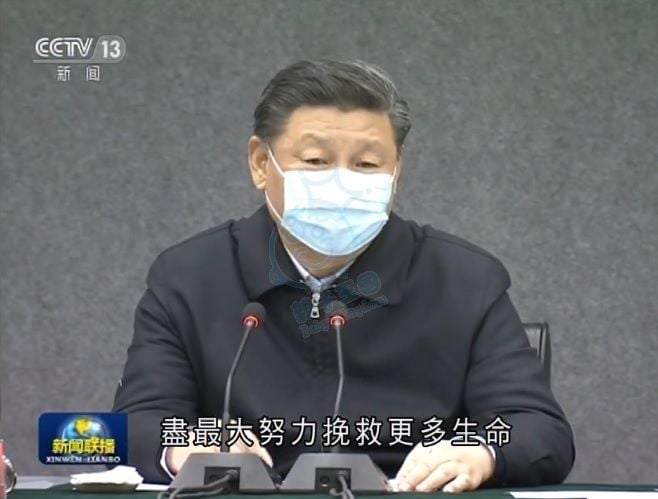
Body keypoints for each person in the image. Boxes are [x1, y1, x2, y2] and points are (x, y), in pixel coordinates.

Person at [113, 58, 575, 492]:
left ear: (397, 170)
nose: (341, 182)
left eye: (367, 164)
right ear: (260, 163)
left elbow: (540, 431)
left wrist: (483, 454)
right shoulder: (190, 277)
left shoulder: (464, 280)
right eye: (316, 161)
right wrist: (183, 447)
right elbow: (134, 424)